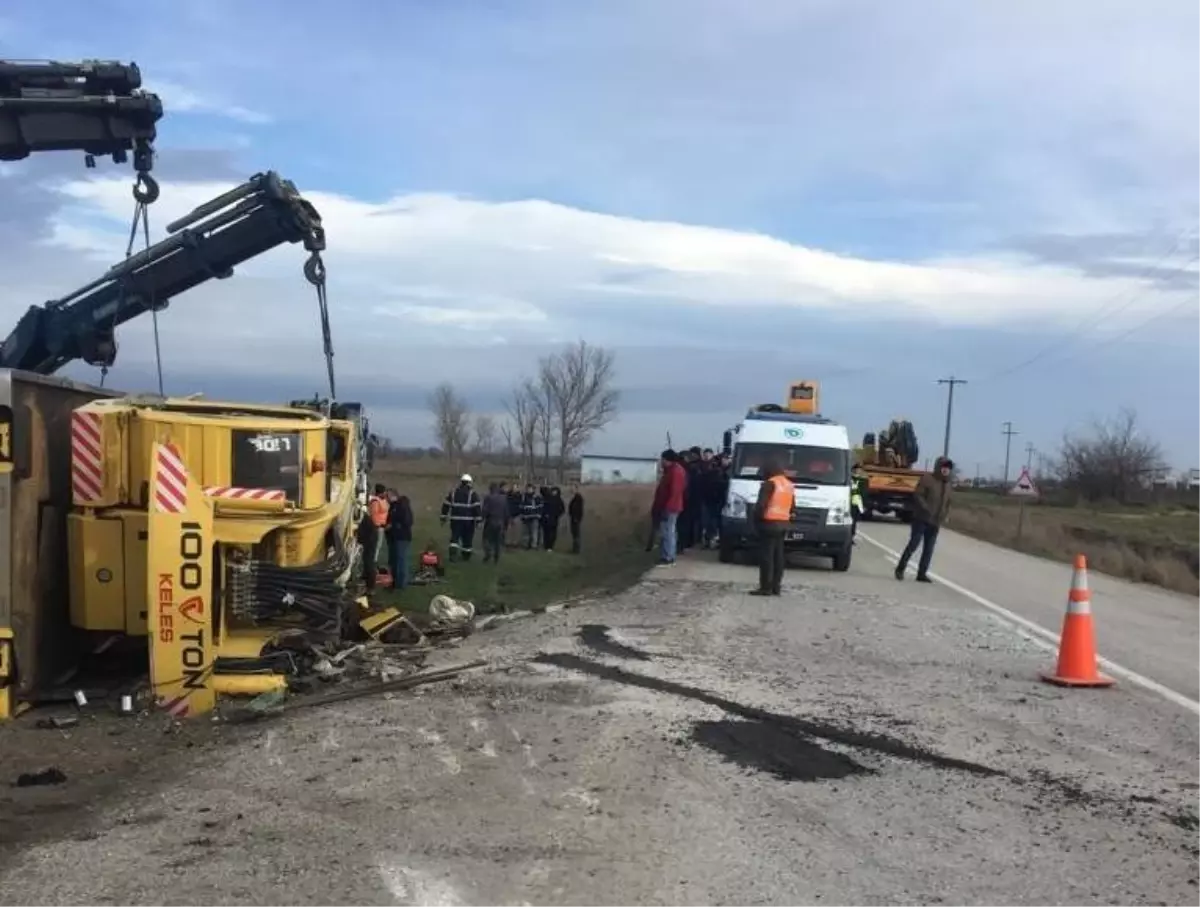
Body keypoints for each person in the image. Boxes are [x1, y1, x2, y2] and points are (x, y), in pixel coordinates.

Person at [895, 457, 954, 583]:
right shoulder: (928, 479)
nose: (946, 470)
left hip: (936, 521)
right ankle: (900, 569)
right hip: (921, 518)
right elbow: (918, 494)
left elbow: (948, 502)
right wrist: (925, 508)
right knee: (913, 544)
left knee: (929, 549)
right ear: (938, 467)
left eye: (948, 468)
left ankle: (922, 574)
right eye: (944, 467)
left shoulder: (948, 484)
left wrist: (946, 514)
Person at [751, 459, 794, 596]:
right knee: (778, 556)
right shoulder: (788, 484)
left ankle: (765, 587)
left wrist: (755, 520)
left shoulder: (769, 484)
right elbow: (793, 507)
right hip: (783, 523)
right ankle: (776, 586)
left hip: (769, 523)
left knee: (766, 557)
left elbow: (761, 505)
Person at [652, 449, 687, 565]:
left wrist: (668, 507)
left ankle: (668, 556)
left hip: (671, 507)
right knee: (669, 531)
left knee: (668, 531)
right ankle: (668, 554)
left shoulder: (675, 472)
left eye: (663, 459)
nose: (661, 461)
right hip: (670, 505)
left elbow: (675, 491)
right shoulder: (672, 470)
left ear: (668, 460)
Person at [440, 474, 482, 561]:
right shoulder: (473, 494)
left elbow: (446, 505)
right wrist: (478, 521)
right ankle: (466, 556)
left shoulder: (453, 493)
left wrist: (443, 517)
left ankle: (452, 555)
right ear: (469, 483)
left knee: (454, 538)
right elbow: (476, 508)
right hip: (468, 522)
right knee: (467, 539)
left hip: (455, 520)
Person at [387, 493, 414, 589]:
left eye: (389, 496)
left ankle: (400, 583)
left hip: (401, 538)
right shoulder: (396, 507)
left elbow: (406, 522)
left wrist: (394, 525)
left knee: (400, 560)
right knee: (397, 560)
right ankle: (396, 582)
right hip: (398, 537)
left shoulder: (400, 508)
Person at [481, 482, 509, 564]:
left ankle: (488, 553)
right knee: (497, 541)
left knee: (486, 539)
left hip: (490, 521)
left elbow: (485, 510)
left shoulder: (488, 498)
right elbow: (506, 512)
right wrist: (506, 524)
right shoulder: (503, 498)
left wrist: (481, 519)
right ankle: (496, 557)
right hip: (500, 522)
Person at [356, 505, 380, 593]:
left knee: (369, 563)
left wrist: (361, 541)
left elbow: (364, 533)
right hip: (370, 543)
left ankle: (370, 587)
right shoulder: (367, 519)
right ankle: (367, 582)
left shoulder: (366, 521)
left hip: (369, 543)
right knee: (367, 562)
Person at [368, 483, 390, 569]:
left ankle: (375, 562)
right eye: (384, 492)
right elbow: (373, 515)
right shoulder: (375, 502)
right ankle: (373, 563)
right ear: (381, 493)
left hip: (382, 526)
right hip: (377, 527)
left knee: (378, 546)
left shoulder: (383, 500)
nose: (385, 494)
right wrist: (377, 525)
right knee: (376, 546)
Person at [541, 486, 565, 551]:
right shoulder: (547, 498)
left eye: (555, 491)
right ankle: (546, 546)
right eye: (553, 491)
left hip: (554, 520)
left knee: (553, 534)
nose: (554, 493)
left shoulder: (559, 500)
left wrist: (556, 515)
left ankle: (550, 546)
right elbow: (543, 490)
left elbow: (562, 510)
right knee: (546, 533)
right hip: (546, 519)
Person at [519, 483, 542, 549]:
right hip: (525, 517)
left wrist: (538, 515)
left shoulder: (537, 497)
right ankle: (525, 545)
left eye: (530, 488)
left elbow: (540, 507)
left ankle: (533, 545)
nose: (529, 490)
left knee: (534, 532)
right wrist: (522, 515)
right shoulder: (524, 497)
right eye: (527, 489)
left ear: (533, 489)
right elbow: (521, 507)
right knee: (525, 533)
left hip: (534, 517)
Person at [850, 463, 867, 543]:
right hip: (850, 502)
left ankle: (852, 536)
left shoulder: (863, 480)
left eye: (860, 469)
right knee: (850, 520)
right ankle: (849, 536)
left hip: (858, 502)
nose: (858, 471)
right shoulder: (850, 479)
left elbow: (865, 493)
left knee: (855, 520)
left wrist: (864, 505)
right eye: (857, 469)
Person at [568, 483, 585, 554]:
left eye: (573, 488)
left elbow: (579, 509)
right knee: (574, 534)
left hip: (576, 519)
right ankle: (575, 549)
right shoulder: (575, 498)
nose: (571, 490)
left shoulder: (578, 498)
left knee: (576, 534)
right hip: (573, 518)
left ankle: (576, 550)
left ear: (576, 489)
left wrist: (577, 518)